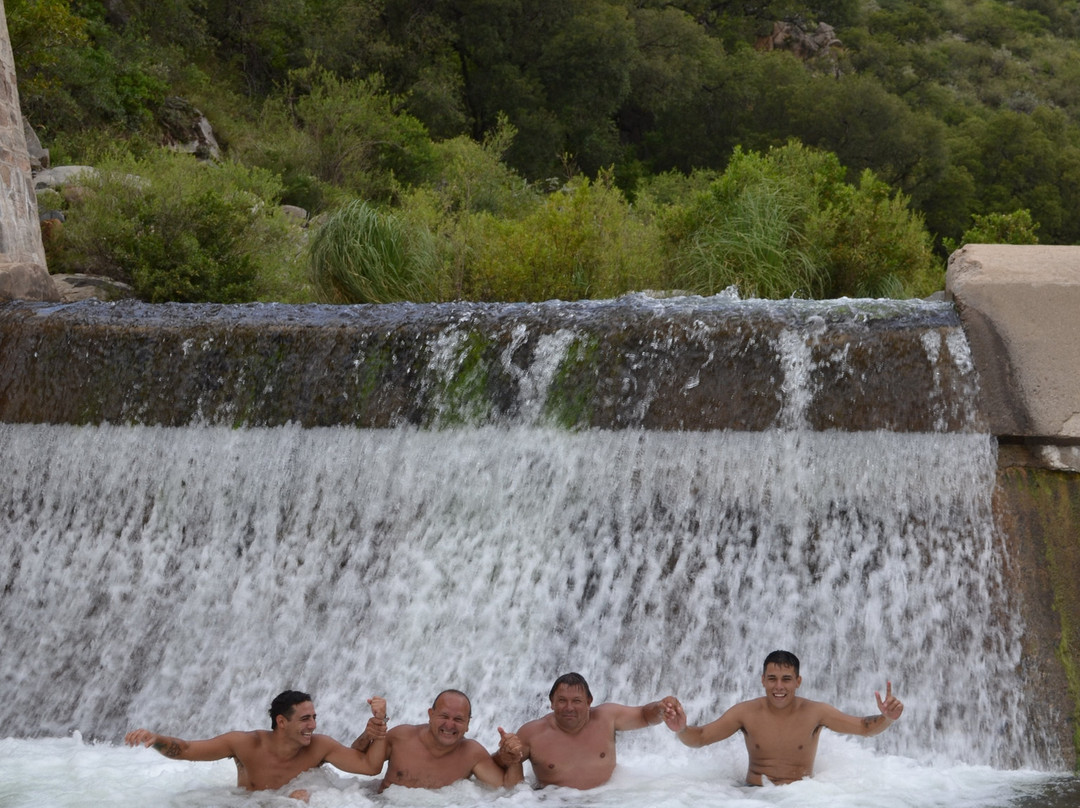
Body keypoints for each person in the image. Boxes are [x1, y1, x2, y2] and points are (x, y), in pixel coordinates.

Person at [672, 650, 905, 785]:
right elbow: (701, 737)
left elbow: (864, 728)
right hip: (751, 799)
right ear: (763, 680)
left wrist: (887, 718)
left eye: (786, 679)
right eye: (772, 678)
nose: (779, 686)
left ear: (798, 681)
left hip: (800, 799)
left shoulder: (816, 712)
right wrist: (682, 729)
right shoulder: (745, 712)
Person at [125, 690, 388, 801]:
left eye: (314, 718)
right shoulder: (244, 743)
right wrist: (157, 740)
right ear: (281, 722)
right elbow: (186, 750)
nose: (313, 726)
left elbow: (370, 766)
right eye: (305, 719)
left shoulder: (320, 747)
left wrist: (380, 722)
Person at [513, 672, 683, 789]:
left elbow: (644, 716)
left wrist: (660, 709)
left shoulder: (607, 716)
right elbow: (504, 765)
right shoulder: (532, 733)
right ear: (552, 702)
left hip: (607, 799)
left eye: (577, 701)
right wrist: (507, 753)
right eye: (562, 700)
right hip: (553, 802)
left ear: (589, 701)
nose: (569, 707)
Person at [351, 689, 524, 790]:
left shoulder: (472, 753)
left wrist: (515, 758)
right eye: (444, 716)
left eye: (458, 720)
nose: (449, 725)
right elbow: (357, 758)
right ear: (430, 715)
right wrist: (370, 732)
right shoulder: (400, 737)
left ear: (467, 724)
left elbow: (509, 791)